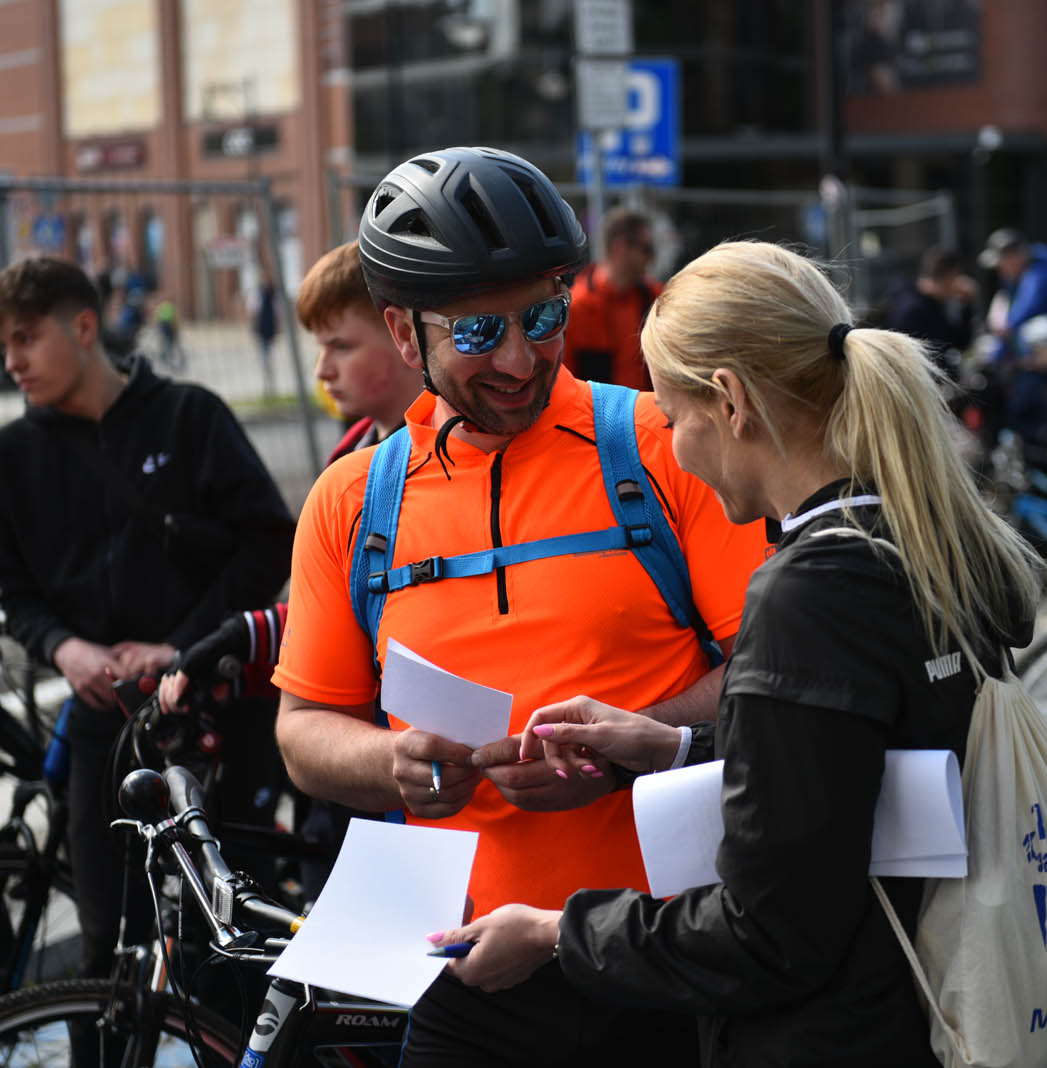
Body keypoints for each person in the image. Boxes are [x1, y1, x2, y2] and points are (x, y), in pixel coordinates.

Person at [426, 239, 1042, 1065]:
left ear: (730, 401)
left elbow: (769, 931)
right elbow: (851, 765)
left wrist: (553, 932)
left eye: (674, 419)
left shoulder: (808, 594)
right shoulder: (916, 538)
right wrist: (676, 745)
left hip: (831, 1034)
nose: (673, 447)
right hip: (913, 1000)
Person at [270, 147, 766, 1066]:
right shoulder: (350, 506)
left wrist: (633, 744)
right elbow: (304, 730)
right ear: (402, 330)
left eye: (544, 316)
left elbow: (773, 681)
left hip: (672, 953)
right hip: (472, 969)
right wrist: (395, 764)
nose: (517, 358)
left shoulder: (663, 448)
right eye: (474, 333)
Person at [0, 256, 295, 984]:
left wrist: (184, 647)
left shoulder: (189, 416)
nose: (11, 361)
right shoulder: (11, 456)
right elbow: (16, 592)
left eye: (25, 338)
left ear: (83, 327)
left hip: (215, 716)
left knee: (239, 942)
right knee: (108, 950)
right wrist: (64, 649)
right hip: (104, 728)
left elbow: (270, 539)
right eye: (2, 346)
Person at [295, 241, 426, 464]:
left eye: (341, 347)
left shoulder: (437, 461)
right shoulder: (351, 450)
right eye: (322, 347)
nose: (322, 371)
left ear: (406, 337)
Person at [561, 205, 662, 389]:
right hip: (597, 415)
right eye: (646, 249)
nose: (651, 257)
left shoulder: (654, 298)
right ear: (621, 248)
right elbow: (566, 381)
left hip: (647, 412)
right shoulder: (578, 307)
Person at [883, 245, 977, 378]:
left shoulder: (931, 304)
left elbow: (958, 341)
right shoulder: (913, 309)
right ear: (949, 277)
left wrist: (967, 305)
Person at [979, 227, 1047, 364]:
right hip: (1035, 343)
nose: (999, 268)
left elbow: (1029, 306)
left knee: (1037, 333)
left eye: (1001, 262)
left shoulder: (1039, 271)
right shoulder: (1017, 278)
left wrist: (1007, 327)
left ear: (1013, 256)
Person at [251, 272, 279, 397]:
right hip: (263, 329)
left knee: (266, 356)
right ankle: (268, 381)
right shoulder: (260, 294)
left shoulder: (271, 295)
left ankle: (269, 381)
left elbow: (276, 313)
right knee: (265, 356)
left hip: (267, 330)